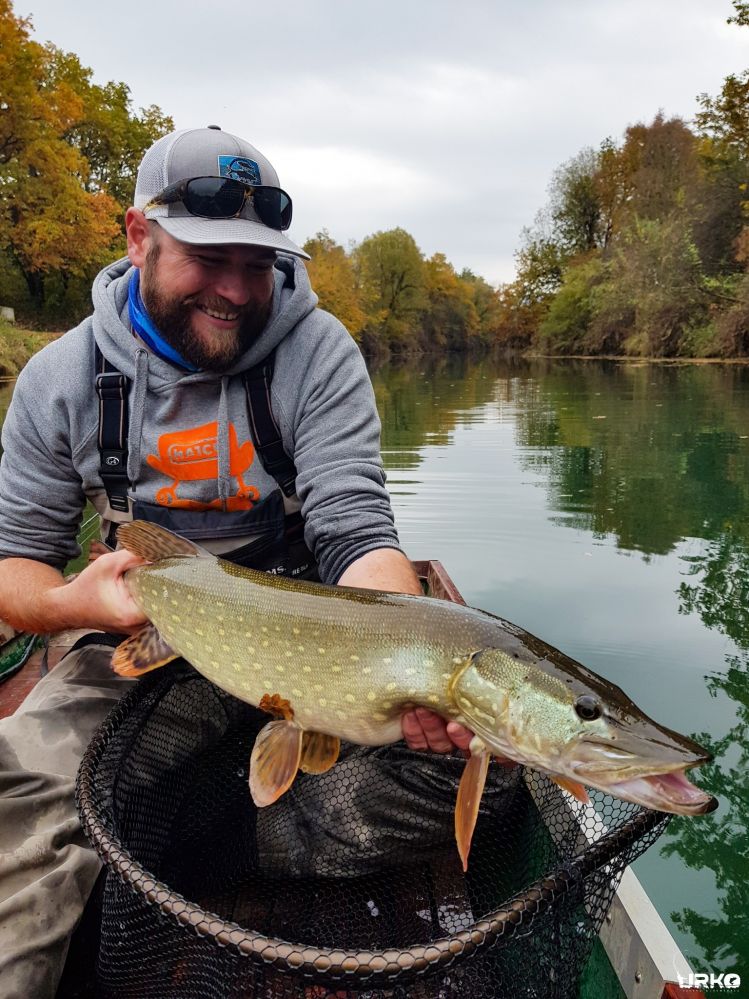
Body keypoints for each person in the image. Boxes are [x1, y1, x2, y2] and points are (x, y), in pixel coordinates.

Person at [0, 126, 471, 997]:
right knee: (21, 787)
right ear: (138, 236)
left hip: (301, 623)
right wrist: (79, 607)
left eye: (255, 265)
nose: (233, 288)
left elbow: (356, 530)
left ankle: (214, 834)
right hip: (132, 636)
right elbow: (13, 573)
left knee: (475, 774)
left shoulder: (314, 349)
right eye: (207, 257)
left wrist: (413, 664)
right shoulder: (60, 379)